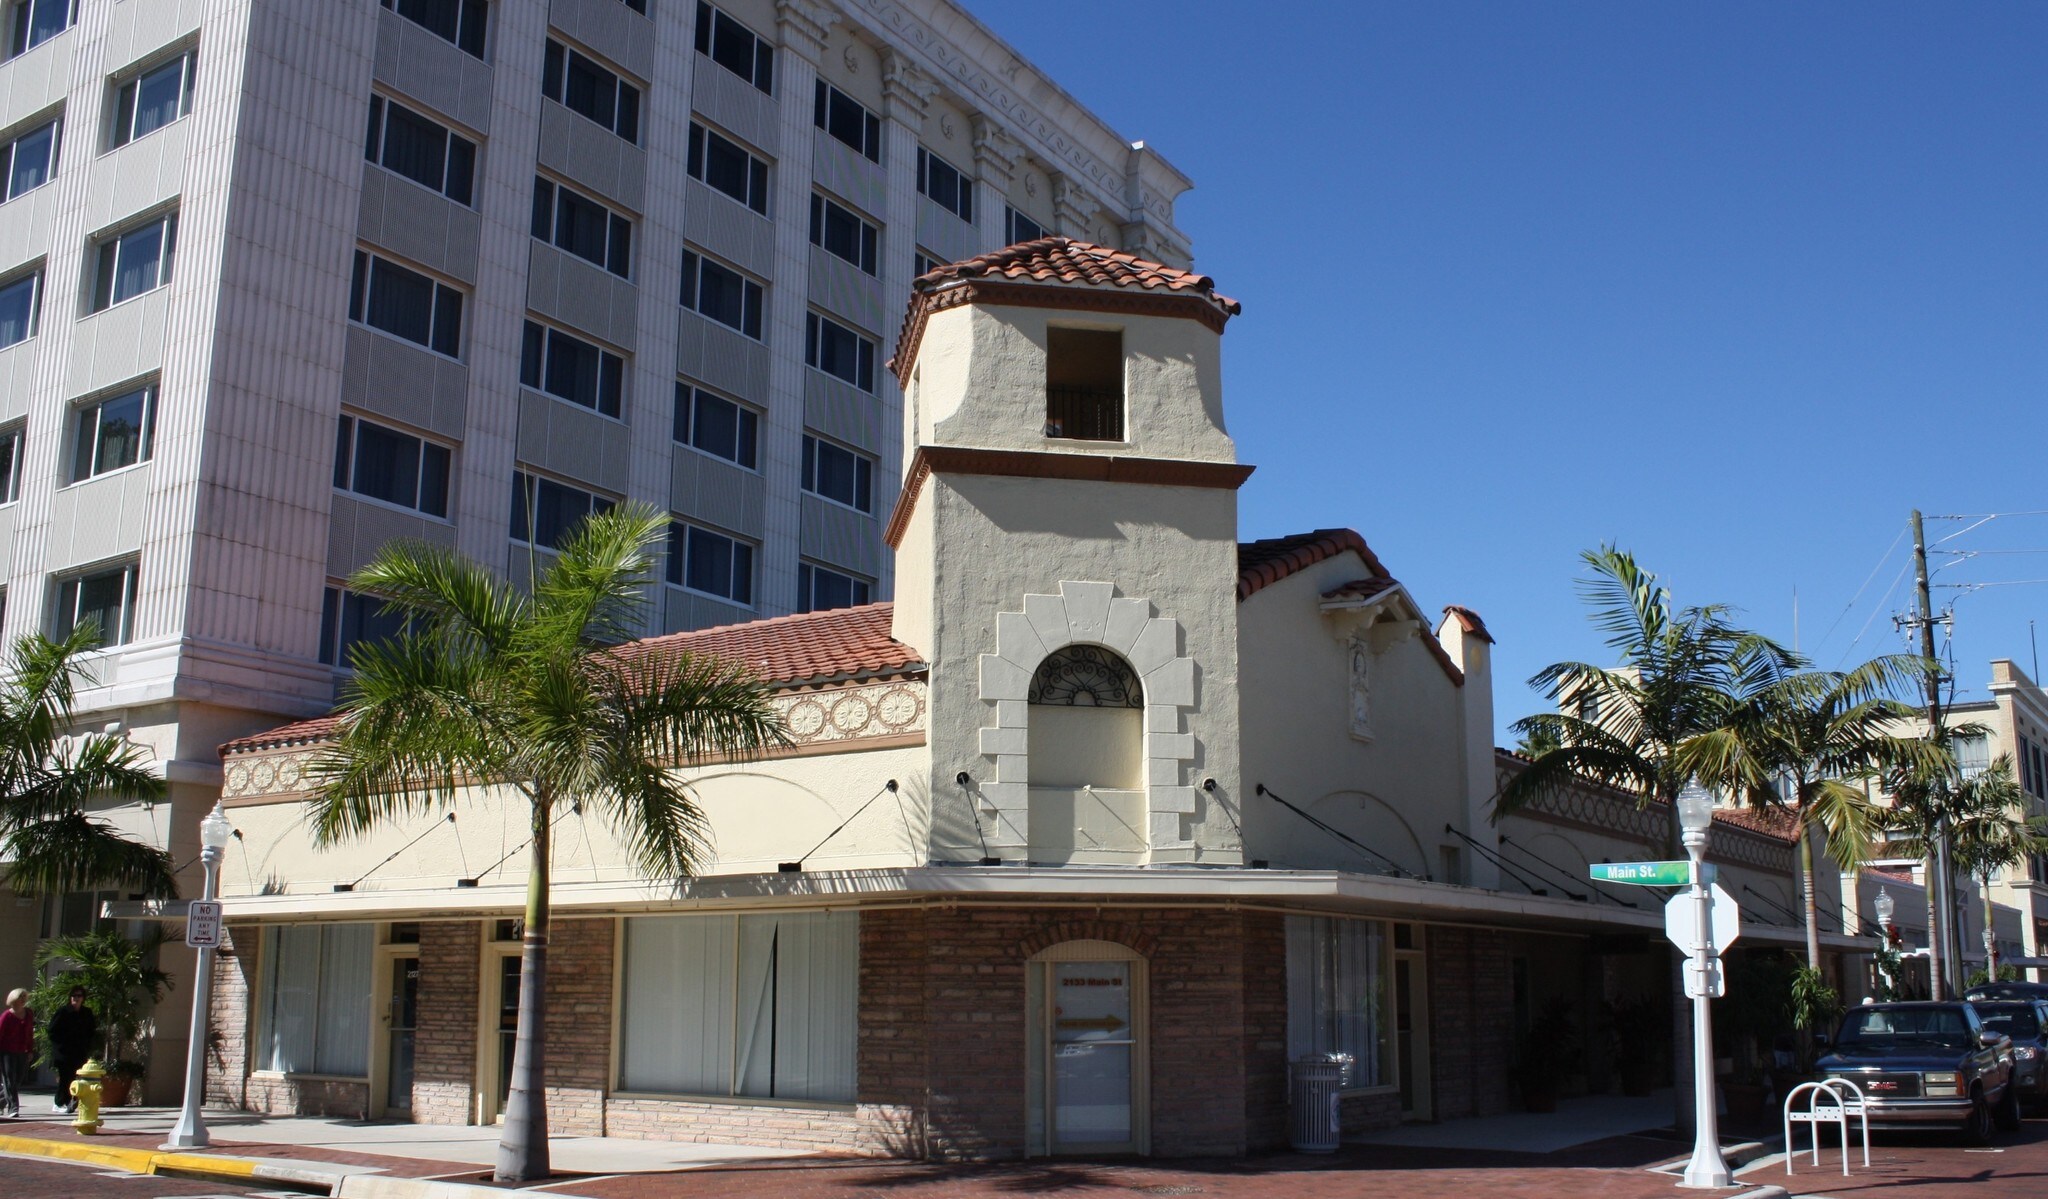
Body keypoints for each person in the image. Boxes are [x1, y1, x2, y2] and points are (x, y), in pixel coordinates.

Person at [46, 987, 98, 1114]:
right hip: (64, 1052)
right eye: (74, 995)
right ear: (70, 997)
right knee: (65, 1078)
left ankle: (69, 1102)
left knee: (75, 1078)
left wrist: (88, 1045)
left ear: (83, 998)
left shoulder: (86, 1013)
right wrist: (61, 1045)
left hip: (79, 1051)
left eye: (79, 996)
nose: (76, 998)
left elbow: (91, 1030)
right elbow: (52, 1031)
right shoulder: (63, 1011)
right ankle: (58, 1103)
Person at [0, 988, 32, 1119]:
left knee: (18, 1079)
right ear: (14, 999)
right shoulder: (7, 1016)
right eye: (20, 997)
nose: (23, 1000)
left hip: (22, 1051)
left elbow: (30, 1033)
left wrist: (30, 1050)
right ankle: (13, 1108)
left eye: (24, 997)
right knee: (9, 1080)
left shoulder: (28, 1013)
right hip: (6, 1052)